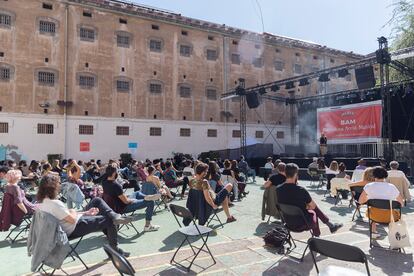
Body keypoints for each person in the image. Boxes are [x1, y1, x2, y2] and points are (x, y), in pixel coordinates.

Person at [37, 173, 132, 257]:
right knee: (110, 220)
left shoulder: (43, 204)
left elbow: (65, 216)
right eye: (58, 183)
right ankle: (114, 250)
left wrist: (85, 213)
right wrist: (73, 211)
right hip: (74, 228)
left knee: (96, 200)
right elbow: (72, 219)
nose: (60, 185)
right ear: (52, 187)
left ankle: (114, 215)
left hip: (69, 225)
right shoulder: (55, 204)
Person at [276, 163, 343, 237]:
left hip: (287, 223)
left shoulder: (278, 188)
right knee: (313, 211)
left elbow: (288, 202)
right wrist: (306, 206)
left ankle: (329, 226)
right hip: (302, 224)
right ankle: (319, 235)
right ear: (296, 174)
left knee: (311, 209)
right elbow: (313, 206)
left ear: (285, 173)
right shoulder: (301, 190)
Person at [102, 166, 160, 232]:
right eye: (117, 172)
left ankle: (146, 197)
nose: (118, 173)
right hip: (122, 207)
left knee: (137, 193)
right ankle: (147, 226)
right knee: (151, 202)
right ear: (114, 173)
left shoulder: (104, 182)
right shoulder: (116, 185)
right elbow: (126, 202)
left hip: (114, 205)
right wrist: (132, 200)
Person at [358, 166, 404, 233]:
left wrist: (369, 199)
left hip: (374, 216)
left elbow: (360, 201)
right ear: (385, 175)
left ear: (373, 175)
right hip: (390, 217)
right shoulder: (391, 187)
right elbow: (401, 204)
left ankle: (373, 233)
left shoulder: (368, 186)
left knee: (372, 210)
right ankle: (392, 234)